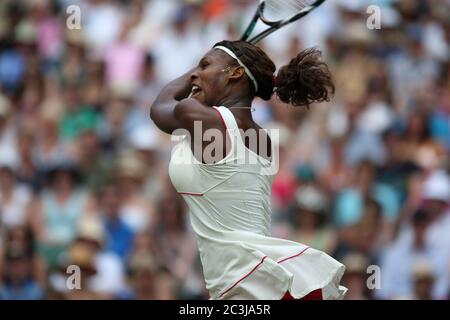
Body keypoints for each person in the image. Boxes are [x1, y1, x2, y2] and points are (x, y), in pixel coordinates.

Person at [150, 40, 346, 300]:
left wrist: (192, 74)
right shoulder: (261, 138)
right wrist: (209, 70)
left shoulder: (203, 120)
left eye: (205, 65)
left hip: (246, 282)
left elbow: (158, 109)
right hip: (254, 279)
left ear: (235, 73)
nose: (196, 73)